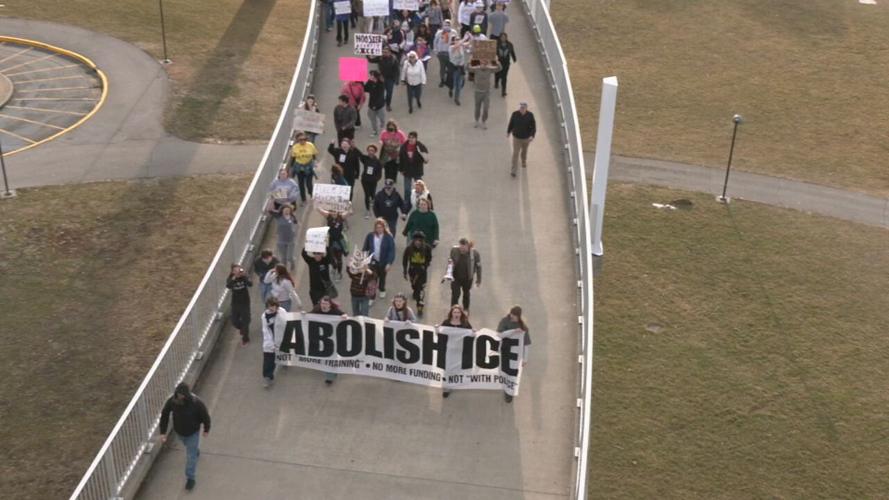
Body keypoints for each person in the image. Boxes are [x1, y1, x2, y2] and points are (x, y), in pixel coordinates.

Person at [158, 382, 211, 491]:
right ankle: (195, 449)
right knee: (189, 447)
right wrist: (163, 432)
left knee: (191, 457)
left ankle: (190, 478)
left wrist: (206, 429)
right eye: (178, 394)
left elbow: (205, 416)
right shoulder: (172, 401)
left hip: (193, 433)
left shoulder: (196, 403)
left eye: (182, 394)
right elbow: (165, 415)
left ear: (187, 394)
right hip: (180, 432)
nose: (180, 396)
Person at [310, 296, 348, 384]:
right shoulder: (317, 309)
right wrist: (304, 314)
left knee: (331, 356)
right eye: (322, 303)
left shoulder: (335, 311)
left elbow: (343, 314)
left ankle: (331, 374)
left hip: (333, 337)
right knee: (327, 356)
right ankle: (330, 375)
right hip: (322, 338)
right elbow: (309, 315)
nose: (323, 305)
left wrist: (344, 315)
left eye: (326, 304)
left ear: (330, 305)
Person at [496, 305, 531, 403]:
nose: (512, 317)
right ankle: (504, 386)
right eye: (512, 314)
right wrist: (513, 332)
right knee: (503, 371)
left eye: (515, 316)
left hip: (515, 355)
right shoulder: (504, 321)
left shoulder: (523, 327)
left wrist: (525, 358)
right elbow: (499, 334)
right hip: (505, 351)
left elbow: (526, 344)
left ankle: (509, 393)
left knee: (512, 374)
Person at [439, 304, 472, 398]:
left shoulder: (465, 323)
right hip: (449, 349)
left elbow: (471, 333)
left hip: (460, 350)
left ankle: (456, 382)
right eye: (454, 312)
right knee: (448, 368)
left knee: (458, 368)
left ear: (461, 313)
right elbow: (440, 332)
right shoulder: (446, 322)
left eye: (458, 312)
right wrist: (437, 328)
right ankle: (447, 387)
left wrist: (473, 332)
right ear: (451, 313)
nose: (456, 314)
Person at [362, 218, 396, 299]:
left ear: (384, 227)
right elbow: (365, 248)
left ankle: (382, 289)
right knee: (372, 279)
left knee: (382, 277)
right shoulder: (370, 236)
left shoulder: (388, 237)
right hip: (373, 262)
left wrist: (389, 263)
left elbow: (391, 251)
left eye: (381, 227)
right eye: (377, 227)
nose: (379, 229)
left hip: (383, 262)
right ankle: (372, 296)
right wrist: (364, 259)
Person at [445, 238, 481, 312]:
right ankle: (453, 310)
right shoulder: (454, 250)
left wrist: (478, 279)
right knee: (455, 294)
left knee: (466, 293)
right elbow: (450, 263)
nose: (462, 250)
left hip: (468, 278)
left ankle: (466, 309)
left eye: (464, 249)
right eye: (460, 248)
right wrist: (448, 273)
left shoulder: (475, 254)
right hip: (456, 277)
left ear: (468, 246)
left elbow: (478, 267)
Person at [402, 231, 432, 316]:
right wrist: (404, 271)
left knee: (420, 289)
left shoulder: (427, 248)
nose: (418, 242)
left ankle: (419, 307)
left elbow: (429, 258)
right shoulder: (409, 248)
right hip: (412, 270)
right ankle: (415, 291)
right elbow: (405, 260)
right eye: (416, 240)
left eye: (420, 240)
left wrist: (425, 266)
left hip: (422, 272)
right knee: (414, 286)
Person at [317, 206, 351, 279]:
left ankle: (339, 273)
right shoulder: (328, 216)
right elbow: (319, 209)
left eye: (335, 211)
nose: (333, 213)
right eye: (332, 211)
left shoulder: (341, 217)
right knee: (331, 258)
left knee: (339, 259)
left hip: (339, 241)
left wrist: (349, 205)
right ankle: (334, 267)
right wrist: (315, 202)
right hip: (331, 241)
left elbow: (350, 212)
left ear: (338, 211)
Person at [261, 297, 288, 388]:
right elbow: (266, 330)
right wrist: (271, 344)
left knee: (283, 353)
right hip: (270, 342)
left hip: (282, 339)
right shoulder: (265, 316)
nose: (271, 308)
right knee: (268, 360)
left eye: (273, 306)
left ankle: (285, 361)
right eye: (269, 306)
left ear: (277, 306)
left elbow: (287, 323)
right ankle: (268, 377)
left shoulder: (282, 312)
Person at [469, 58, 502, 129]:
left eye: (485, 63)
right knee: (477, 108)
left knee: (486, 108)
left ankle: (483, 121)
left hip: (486, 93)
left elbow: (499, 68)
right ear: (480, 63)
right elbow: (467, 68)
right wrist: (469, 61)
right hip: (477, 92)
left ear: (486, 63)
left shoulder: (489, 69)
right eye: (482, 63)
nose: (483, 65)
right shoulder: (476, 69)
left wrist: (497, 61)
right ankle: (476, 120)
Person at [507, 101, 536, 176]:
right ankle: (513, 170)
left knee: (524, 151)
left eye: (523, 108)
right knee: (515, 153)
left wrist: (532, 135)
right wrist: (508, 132)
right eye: (521, 108)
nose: (522, 109)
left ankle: (523, 160)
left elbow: (533, 127)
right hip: (516, 138)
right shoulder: (515, 114)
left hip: (526, 138)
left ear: (526, 108)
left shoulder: (530, 115)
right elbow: (511, 123)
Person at [226, 263, 252, 346]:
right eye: (236, 270)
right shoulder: (231, 278)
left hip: (245, 302)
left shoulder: (244, 276)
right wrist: (234, 278)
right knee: (234, 321)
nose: (238, 272)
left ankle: (245, 339)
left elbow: (250, 284)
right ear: (233, 272)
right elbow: (228, 286)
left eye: (239, 269)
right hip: (235, 303)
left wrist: (244, 276)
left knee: (246, 321)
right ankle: (242, 328)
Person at [398, 131, 430, 198]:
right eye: (409, 137)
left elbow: (426, 156)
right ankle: (407, 203)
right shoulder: (404, 146)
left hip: (417, 170)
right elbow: (401, 159)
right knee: (407, 189)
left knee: (420, 187)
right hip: (407, 170)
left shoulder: (420, 146)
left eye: (413, 138)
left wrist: (425, 159)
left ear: (416, 138)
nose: (411, 139)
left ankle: (423, 199)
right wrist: (401, 169)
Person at [289, 132, 319, 203]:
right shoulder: (295, 147)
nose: (302, 141)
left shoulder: (310, 145)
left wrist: (315, 162)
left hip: (308, 166)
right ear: (298, 140)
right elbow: (293, 158)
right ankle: (303, 199)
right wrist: (291, 168)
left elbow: (314, 154)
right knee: (301, 184)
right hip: (299, 167)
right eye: (300, 140)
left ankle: (311, 195)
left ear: (306, 139)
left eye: (304, 139)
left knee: (309, 184)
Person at [371, 47, 401, 112]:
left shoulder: (394, 59)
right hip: (381, 78)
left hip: (390, 79)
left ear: (390, 53)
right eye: (383, 52)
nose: (384, 53)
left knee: (389, 93)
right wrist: (367, 55)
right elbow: (371, 60)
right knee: (380, 92)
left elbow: (397, 70)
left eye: (386, 52)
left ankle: (388, 105)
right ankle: (381, 102)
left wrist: (397, 80)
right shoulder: (380, 58)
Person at [346, 249, 375, 315]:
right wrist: (349, 264)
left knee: (364, 314)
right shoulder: (354, 273)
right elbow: (349, 271)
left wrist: (367, 269)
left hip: (364, 296)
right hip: (354, 296)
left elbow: (373, 276)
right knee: (355, 313)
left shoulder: (367, 273)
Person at [358, 144, 383, 219]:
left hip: (373, 181)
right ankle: (367, 210)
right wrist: (354, 146)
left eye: (372, 150)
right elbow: (359, 154)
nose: (370, 152)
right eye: (369, 150)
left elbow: (379, 173)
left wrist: (376, 179)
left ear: (375, 152)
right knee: (367, 195)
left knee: (372, 194)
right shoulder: (365, 158)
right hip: (365, 180)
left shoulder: (377, 161)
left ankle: (374, 204)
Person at [274, 204, 298, 269]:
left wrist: (294, 232)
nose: (286, 211)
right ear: (282, 210)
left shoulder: (292, 217)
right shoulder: (278, 217)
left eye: (288, 210)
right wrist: (272, 200)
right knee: (283, 258)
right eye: (285, 210)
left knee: (289, 257)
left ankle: (292, 263)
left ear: (290, 211)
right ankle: (284, 271)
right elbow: (269, 210)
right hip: (281, 240)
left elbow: (296, 224)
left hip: (290, 240)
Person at [433, 20, 456, 88]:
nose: (446, 26)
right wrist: (436, 51)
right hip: (441, 53)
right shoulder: (439, 33)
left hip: (450, 54)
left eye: (448, 25)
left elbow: (456, 42)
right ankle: (442, 80)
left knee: (450, 68)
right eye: (445, 25)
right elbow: (435, 42)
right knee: (442, 68)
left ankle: (449, 81)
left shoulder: (453, 32)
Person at [364, 70, 387, 137]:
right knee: (372, 118)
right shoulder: (370, 82)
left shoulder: (381, 84)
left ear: (375, 77)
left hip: (380, 105)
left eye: (371, 75)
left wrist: (375, 105)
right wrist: (363, 82)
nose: (370, 76)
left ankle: (382, 124)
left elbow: (380, 96)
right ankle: (375, 131)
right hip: (371, 105)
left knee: (382, 117)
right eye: (370, 75)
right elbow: (365, 89)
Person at [494, 32, 516, 96]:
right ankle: (496, 82)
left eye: (504, 37)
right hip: (498, 62)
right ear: (500, 38)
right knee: (497, 73)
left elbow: (512, 52)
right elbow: (493, 52)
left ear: (506, 38)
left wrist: (514, 59)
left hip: (506, 63)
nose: (503, 38)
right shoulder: (497, 44)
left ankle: (503, 91)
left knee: (504, 77)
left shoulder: (510, 45)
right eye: (502, 37)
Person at [448, 36, 466, 105]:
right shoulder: (451, 48)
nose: (458, 40)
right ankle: (450, 89)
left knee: (459, 85)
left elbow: (469, 44)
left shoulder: (461, 47)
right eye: (456, 39)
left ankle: (457, 98)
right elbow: (456, 46)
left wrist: (470, 36)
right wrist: (464, 39)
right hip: (454, 68)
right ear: (453, 41)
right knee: (453, 83)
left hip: (460, 68)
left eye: (459, 39)